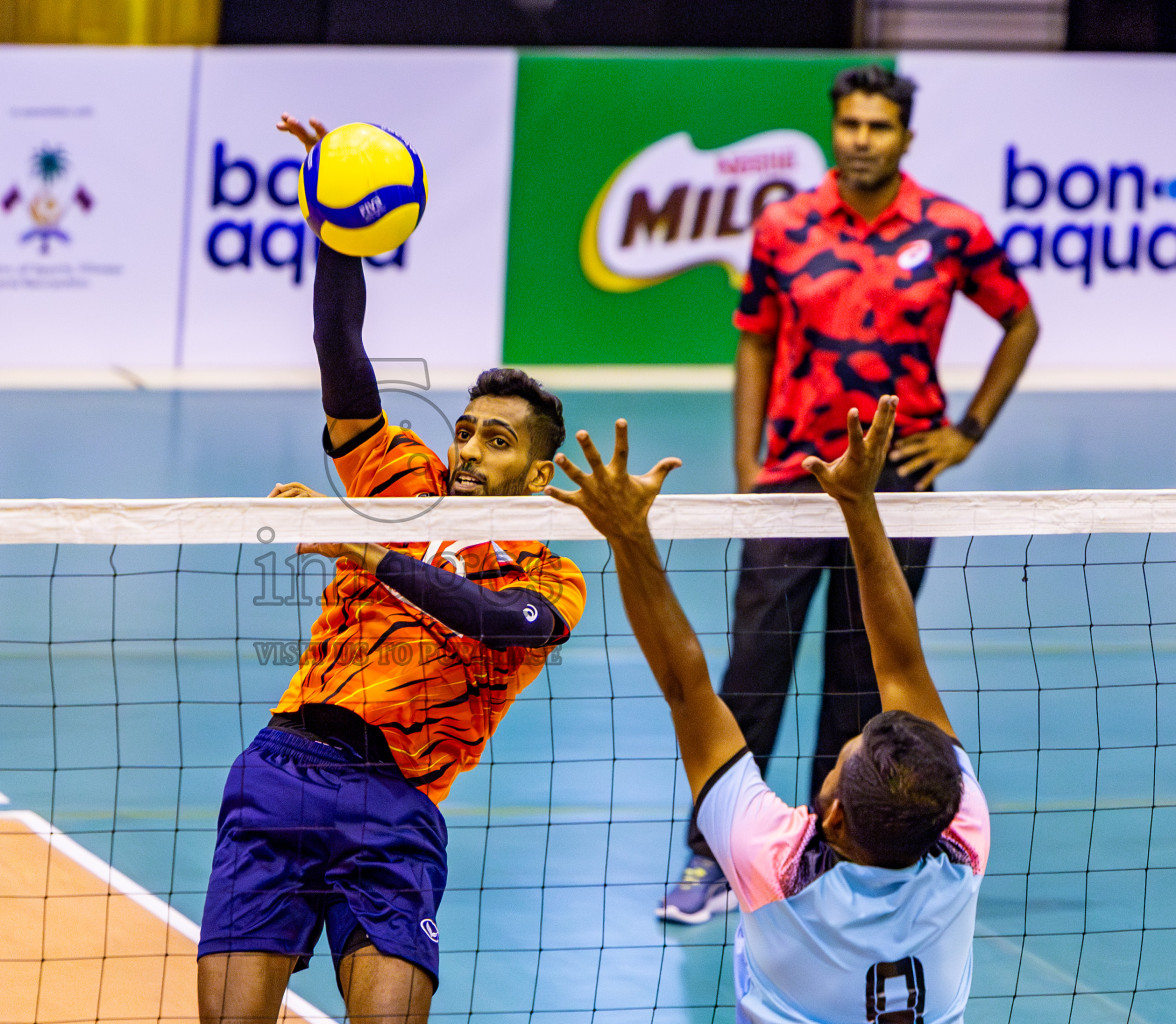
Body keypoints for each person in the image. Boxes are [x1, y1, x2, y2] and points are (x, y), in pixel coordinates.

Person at [195, 115, 587, 1024]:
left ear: (538, 473)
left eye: (497, 441)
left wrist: (367, 551)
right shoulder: (401, 477)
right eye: (463, 429)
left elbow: (493, 622)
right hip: (285, 767)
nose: (466, 451)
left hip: (396, 805)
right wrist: (336, 225)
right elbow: (344, 356)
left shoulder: (550, 574)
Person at [659, 63, 1036, 923]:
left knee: (864, 677)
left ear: (906, 136)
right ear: (836, 129)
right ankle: (712, 859)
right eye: (850, 123)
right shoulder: (783, 225)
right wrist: (750, 461)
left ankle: (834, 851)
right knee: (754, 664)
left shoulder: (951, 228)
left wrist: (968, 430)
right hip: (794, 477)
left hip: (900, 484)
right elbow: (753, 338)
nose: (862, 138)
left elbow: (1021, 318)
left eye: (879, 125)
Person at [549, 398, 989, 1022]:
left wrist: (625, 532)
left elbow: (687, 688)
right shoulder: (962, 842)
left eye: (845, 757)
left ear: (832, 818)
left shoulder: (774, 862)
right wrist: (862, 506)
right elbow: (900, 665)